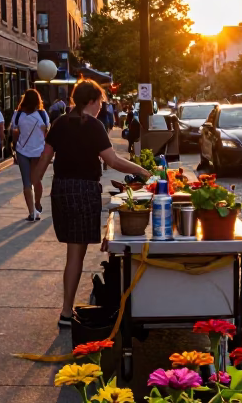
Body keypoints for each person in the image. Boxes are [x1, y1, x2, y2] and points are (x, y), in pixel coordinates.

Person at [35, 79, 150, 328]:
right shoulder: (94, 125)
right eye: (100, 101)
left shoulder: (60, 123)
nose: (101, 106)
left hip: (61, 189)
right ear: (90, 101)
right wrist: (142, 171)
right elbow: (113, 160)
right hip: (83, 189)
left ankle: (67, 309)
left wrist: (35, 189)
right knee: (76, 252)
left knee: (73, 249)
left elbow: (44, 159)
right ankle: (66, 312)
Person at [11, 88, 49, 221]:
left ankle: (32, 212)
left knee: (26, 182)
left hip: (22, 151)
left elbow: (15, 133)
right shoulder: (43, 115)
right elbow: (46, 133)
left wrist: (15, 147)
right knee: (36, 180)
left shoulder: (17, 115)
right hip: (38, 151)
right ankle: (37, 204)